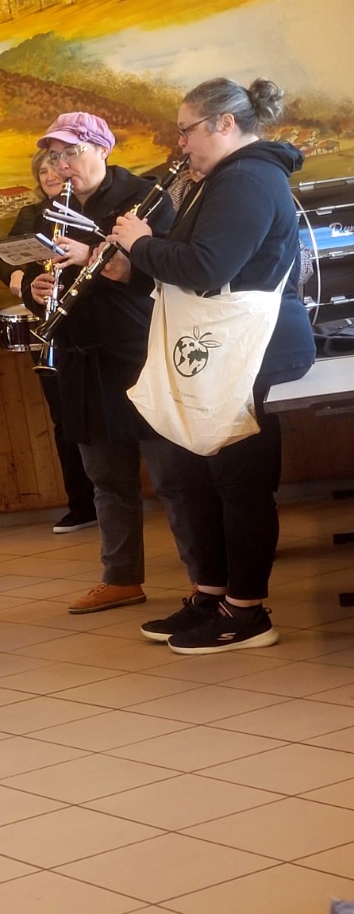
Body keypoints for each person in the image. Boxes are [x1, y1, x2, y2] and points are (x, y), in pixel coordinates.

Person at [109, 78, 314, 653]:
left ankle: (247, 612)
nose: (180, 143)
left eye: (186, 130)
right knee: (198, 478)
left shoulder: (249, 178)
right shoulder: (223, 179)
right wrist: (134, 268)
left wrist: (140, 243)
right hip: (220, 351)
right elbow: (194, 269)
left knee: (240, 484)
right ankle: (213, 594)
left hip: (250, 355)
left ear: (225, 123)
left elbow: (207, 266)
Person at [23, 112, 181, 615]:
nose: (62, 165)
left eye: (72, 153)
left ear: (102, 149)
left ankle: (208, 579)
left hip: (139, 350)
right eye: (55, 157)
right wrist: (35, 290)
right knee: (107, 479)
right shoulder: (51, 210)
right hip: (81, 356)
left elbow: (172, 271)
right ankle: (120, 579)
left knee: (173, 476)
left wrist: (95, 255)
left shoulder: (145, 197)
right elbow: (37, 271)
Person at [0, 150, 98, 534]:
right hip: (51, 327)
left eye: (54, 167)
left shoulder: (88, 210)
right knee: (64, 418)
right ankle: (81, 503)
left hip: (95, 323)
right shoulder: (32, 215)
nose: (50, 174)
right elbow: (3, 259)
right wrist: (22, 281)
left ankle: (114, 497)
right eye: (42, 171)